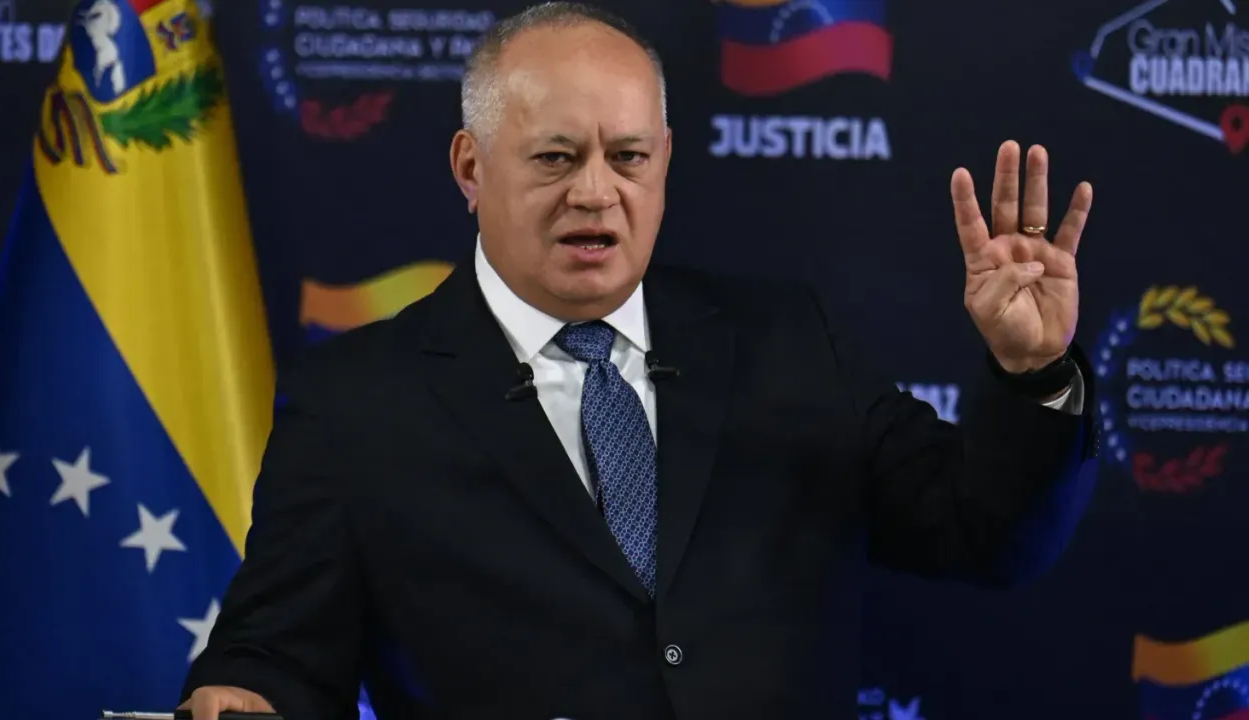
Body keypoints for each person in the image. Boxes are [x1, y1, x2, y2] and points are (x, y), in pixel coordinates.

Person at [179, 2, 1100, 718]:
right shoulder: (356, 406)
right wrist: (244, 694)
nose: (596, 192)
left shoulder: (789, 342)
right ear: (470, 168)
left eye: (627, 157)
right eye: (555, 157)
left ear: (664, 161)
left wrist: (1032, 375)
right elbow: (274, 654)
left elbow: (986, 535)